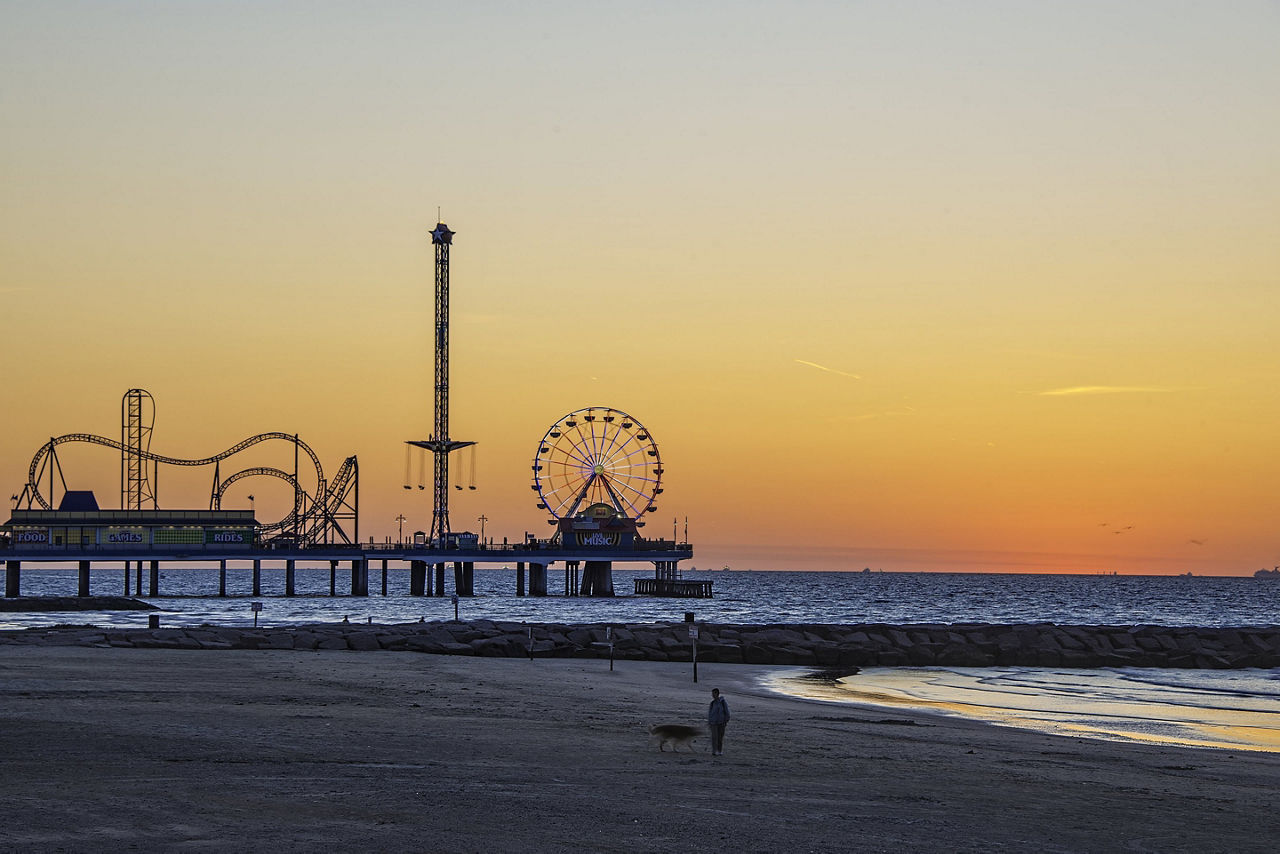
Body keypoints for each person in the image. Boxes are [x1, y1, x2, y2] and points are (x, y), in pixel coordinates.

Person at [707, 688, 730, 756]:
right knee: (714, 737)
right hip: (713, 723)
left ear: (717, 694)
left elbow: (727, 712)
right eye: (712, 694)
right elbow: (710, 713)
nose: (713, 695)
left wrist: (726, 720)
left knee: (720, 737)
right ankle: (714, 751)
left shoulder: (723, 702)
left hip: (721, 722)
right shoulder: (712, 703)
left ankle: (719, 750)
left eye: (714, 693)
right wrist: (709, 721)